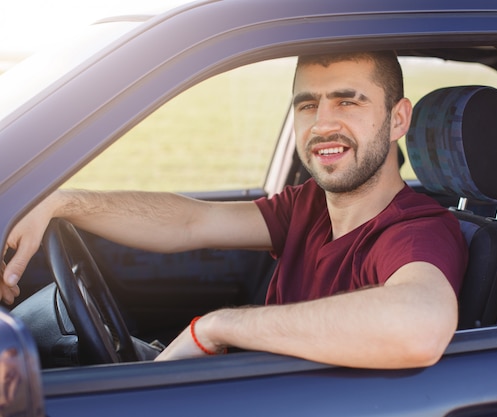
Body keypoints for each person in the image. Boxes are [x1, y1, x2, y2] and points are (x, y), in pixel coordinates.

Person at [1, 51, 467, 369]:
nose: (324, 123)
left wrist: (219, 327)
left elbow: (420, 325)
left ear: (398, 118)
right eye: (307, 105)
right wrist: (63, 202)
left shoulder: (417, 230)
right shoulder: (309, 206)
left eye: (348, 100)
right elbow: (191, 221)